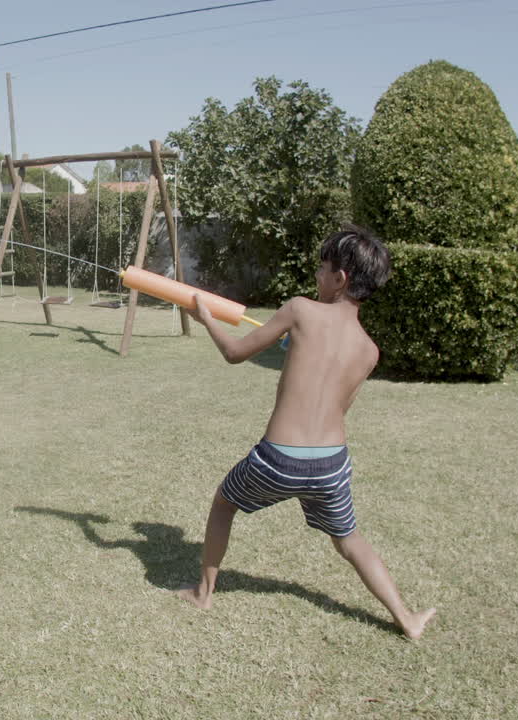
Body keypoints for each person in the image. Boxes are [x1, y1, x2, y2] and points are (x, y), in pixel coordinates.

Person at [175, 224, 435, 640]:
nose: (316, 275)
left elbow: (234, 352)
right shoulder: (370, 350)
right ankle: (406, 617)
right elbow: (339, 407)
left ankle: (204, 593)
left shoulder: (299, 308)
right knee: (349, 540)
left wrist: (206, 317)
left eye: (322, 267)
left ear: (340, 278)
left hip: (278, 459)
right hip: (331, 465)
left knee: (224, 503)